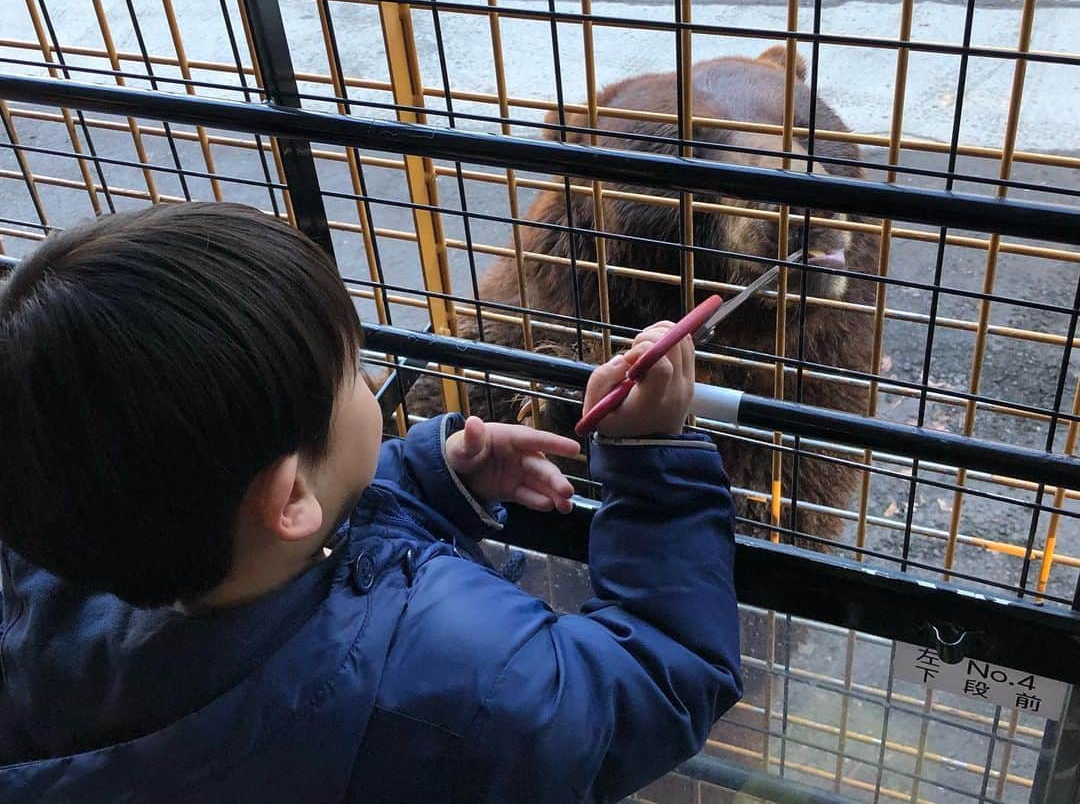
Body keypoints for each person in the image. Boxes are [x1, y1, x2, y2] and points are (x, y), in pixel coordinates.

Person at [0, 202, 741, 803]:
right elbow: (658, 681)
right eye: (352, 372)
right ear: (290, 495)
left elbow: (284, 532)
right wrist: (654, 466)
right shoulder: (470, 679)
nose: (366, 381)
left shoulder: (54, 580)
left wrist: (429, 477)